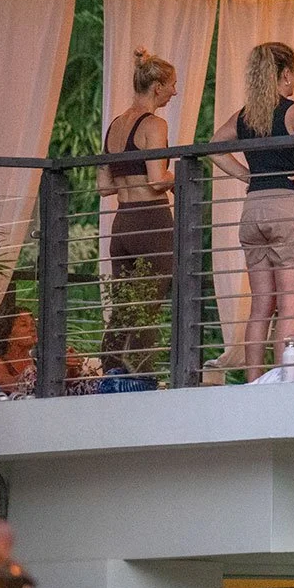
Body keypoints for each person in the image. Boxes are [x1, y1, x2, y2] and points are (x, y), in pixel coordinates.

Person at [210, 42, 294, 381]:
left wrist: (248, 175)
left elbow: (214, 146)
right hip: (288, 209)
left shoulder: (246, 115)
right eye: (293, 77)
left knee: (260, 306)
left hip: (252, 209)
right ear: (285, 74)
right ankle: (285, 381)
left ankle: (253, 381)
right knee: (290, 304)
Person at [99, 48, 178, 375]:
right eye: (173, 84)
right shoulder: (154, 125)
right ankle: (141, 378)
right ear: (157, 86)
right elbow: (158, 180)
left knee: (122, 307)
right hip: (151, 221)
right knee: (149, 305)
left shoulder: (116, 125)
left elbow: (104, 187)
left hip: (123, 222)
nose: (175, 91)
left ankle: (110, 372)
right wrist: (180, 176)